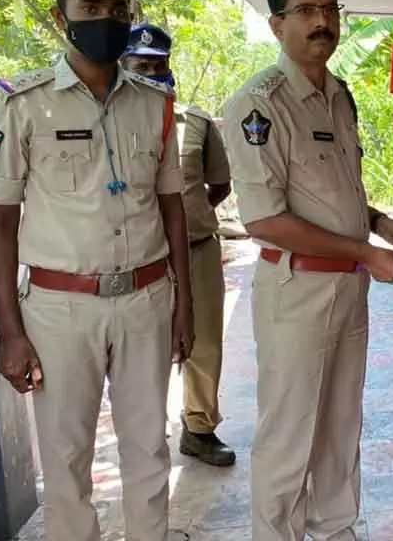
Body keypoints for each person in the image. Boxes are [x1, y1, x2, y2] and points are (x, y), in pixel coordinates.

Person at [0, 0, 193, 540]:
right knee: (67, 459)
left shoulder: (155, 104)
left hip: (147, 300)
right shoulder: (21, 102)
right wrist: (10, 332)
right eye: (91, 6)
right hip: (58, 309)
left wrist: (185, 304)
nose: (108, 18)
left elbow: (171, 206)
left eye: (118, 8)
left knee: (150, 450)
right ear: (59, 15)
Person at [220, 0, 393, 541]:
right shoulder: (259, 104)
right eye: (306, 10)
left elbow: (335, 191)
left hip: (348, 288)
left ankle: (335, 530)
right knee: (289, 432)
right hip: (296, 288)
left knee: (339, 424)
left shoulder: (339, 95)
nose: (322, 22)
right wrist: (363, 249)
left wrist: (381, 224)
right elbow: (265, 219)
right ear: (276, 22)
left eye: (330, 9)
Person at [122, 24, 236, 467]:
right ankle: (144, 435)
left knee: (204, 343)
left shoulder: (196, 121)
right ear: (125, 67)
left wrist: (189, 219)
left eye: (159, 65)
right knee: (141, 346)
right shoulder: (110, 122)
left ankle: (200, 428)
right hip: (137, 255)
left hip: (197, 248)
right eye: (141, 65)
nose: (152, 72)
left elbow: (220, 184)